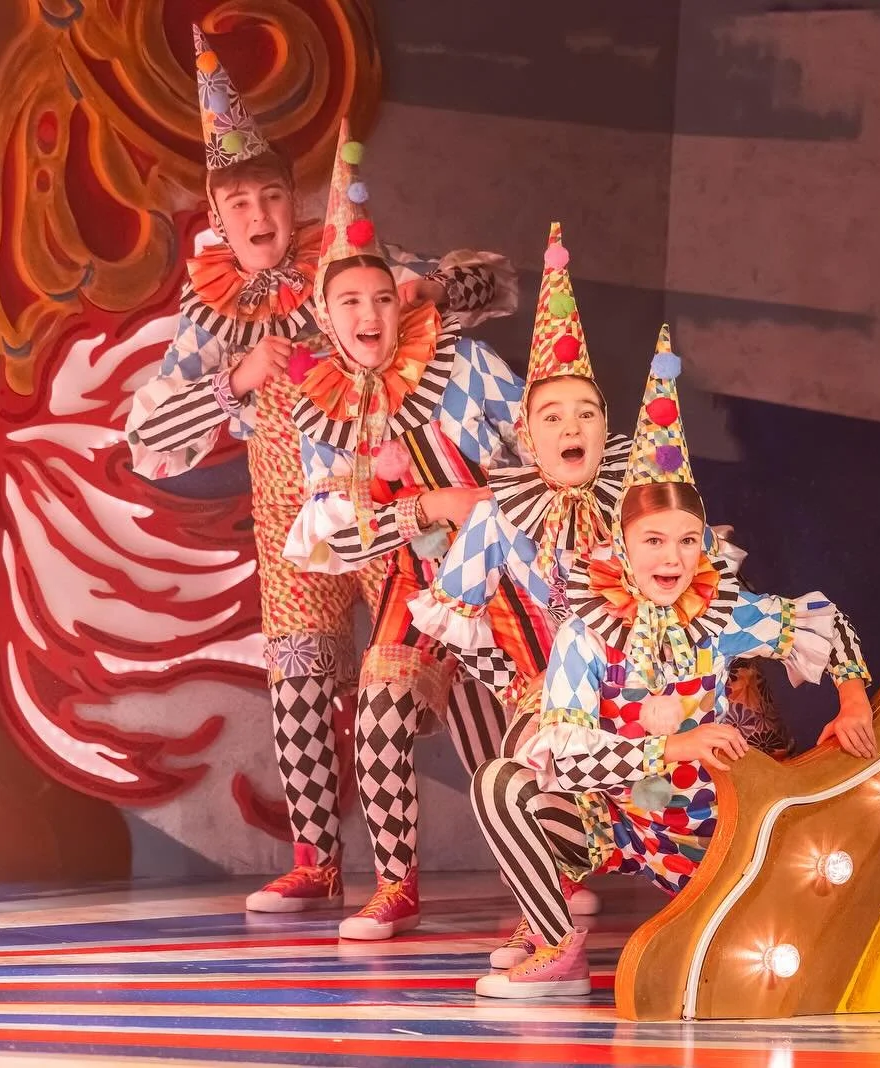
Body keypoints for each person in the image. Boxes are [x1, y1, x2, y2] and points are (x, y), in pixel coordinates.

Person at [124, 28, 517, 914]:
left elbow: (486, 287)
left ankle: (537, 852)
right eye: (241, 205)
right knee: (299, 686)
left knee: (461, 662)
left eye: (272, 196)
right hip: (291, 520)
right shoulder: (212, 311)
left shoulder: (342, 262)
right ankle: (317, 859)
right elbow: (148, 440)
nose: (261, 215)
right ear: (216, 221)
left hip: (393, 495)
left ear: (290, 200)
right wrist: (234, 378)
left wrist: (425, 292)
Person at [469, 330, 875, 997]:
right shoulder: (588, 632)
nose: (671, 558)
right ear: (623, 549)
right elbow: (566, 755)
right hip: (620, 826)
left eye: (687, 542)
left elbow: (825, 626)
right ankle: (556, 950)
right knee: (502, 783)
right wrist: (675, 744)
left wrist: (852, 700)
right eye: (654, 541)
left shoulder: (720, 613)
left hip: (713, 831)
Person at [281, 120, 546, 940]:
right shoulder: (319, 404)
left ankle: (553, 878)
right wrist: (425, 509)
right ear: (326, 316)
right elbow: (323, 531)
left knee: (537, 722)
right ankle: (396, 885)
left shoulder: (461, 364)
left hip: (505, 571)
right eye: (349, 301)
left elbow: (540, 446)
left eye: (380, 297)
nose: (367, 313)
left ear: (403, 301)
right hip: (419, 578)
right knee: (382, 710)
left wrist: (494, 506)